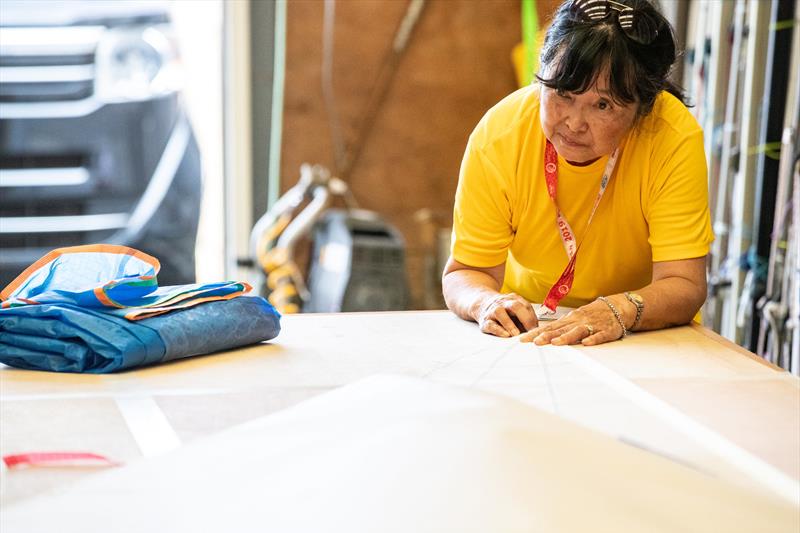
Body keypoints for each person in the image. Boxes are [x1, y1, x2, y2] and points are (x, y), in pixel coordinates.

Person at [442, 0, 713, 346]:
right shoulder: (500, 135)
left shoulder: (671, 136)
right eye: (562, 93)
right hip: (531, 327)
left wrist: (620, 310)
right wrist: (487, 303)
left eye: (603, 105)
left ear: (644, 106)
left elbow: (685, 283)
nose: (573, 123)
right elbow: (466, 272)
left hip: (643, 327)